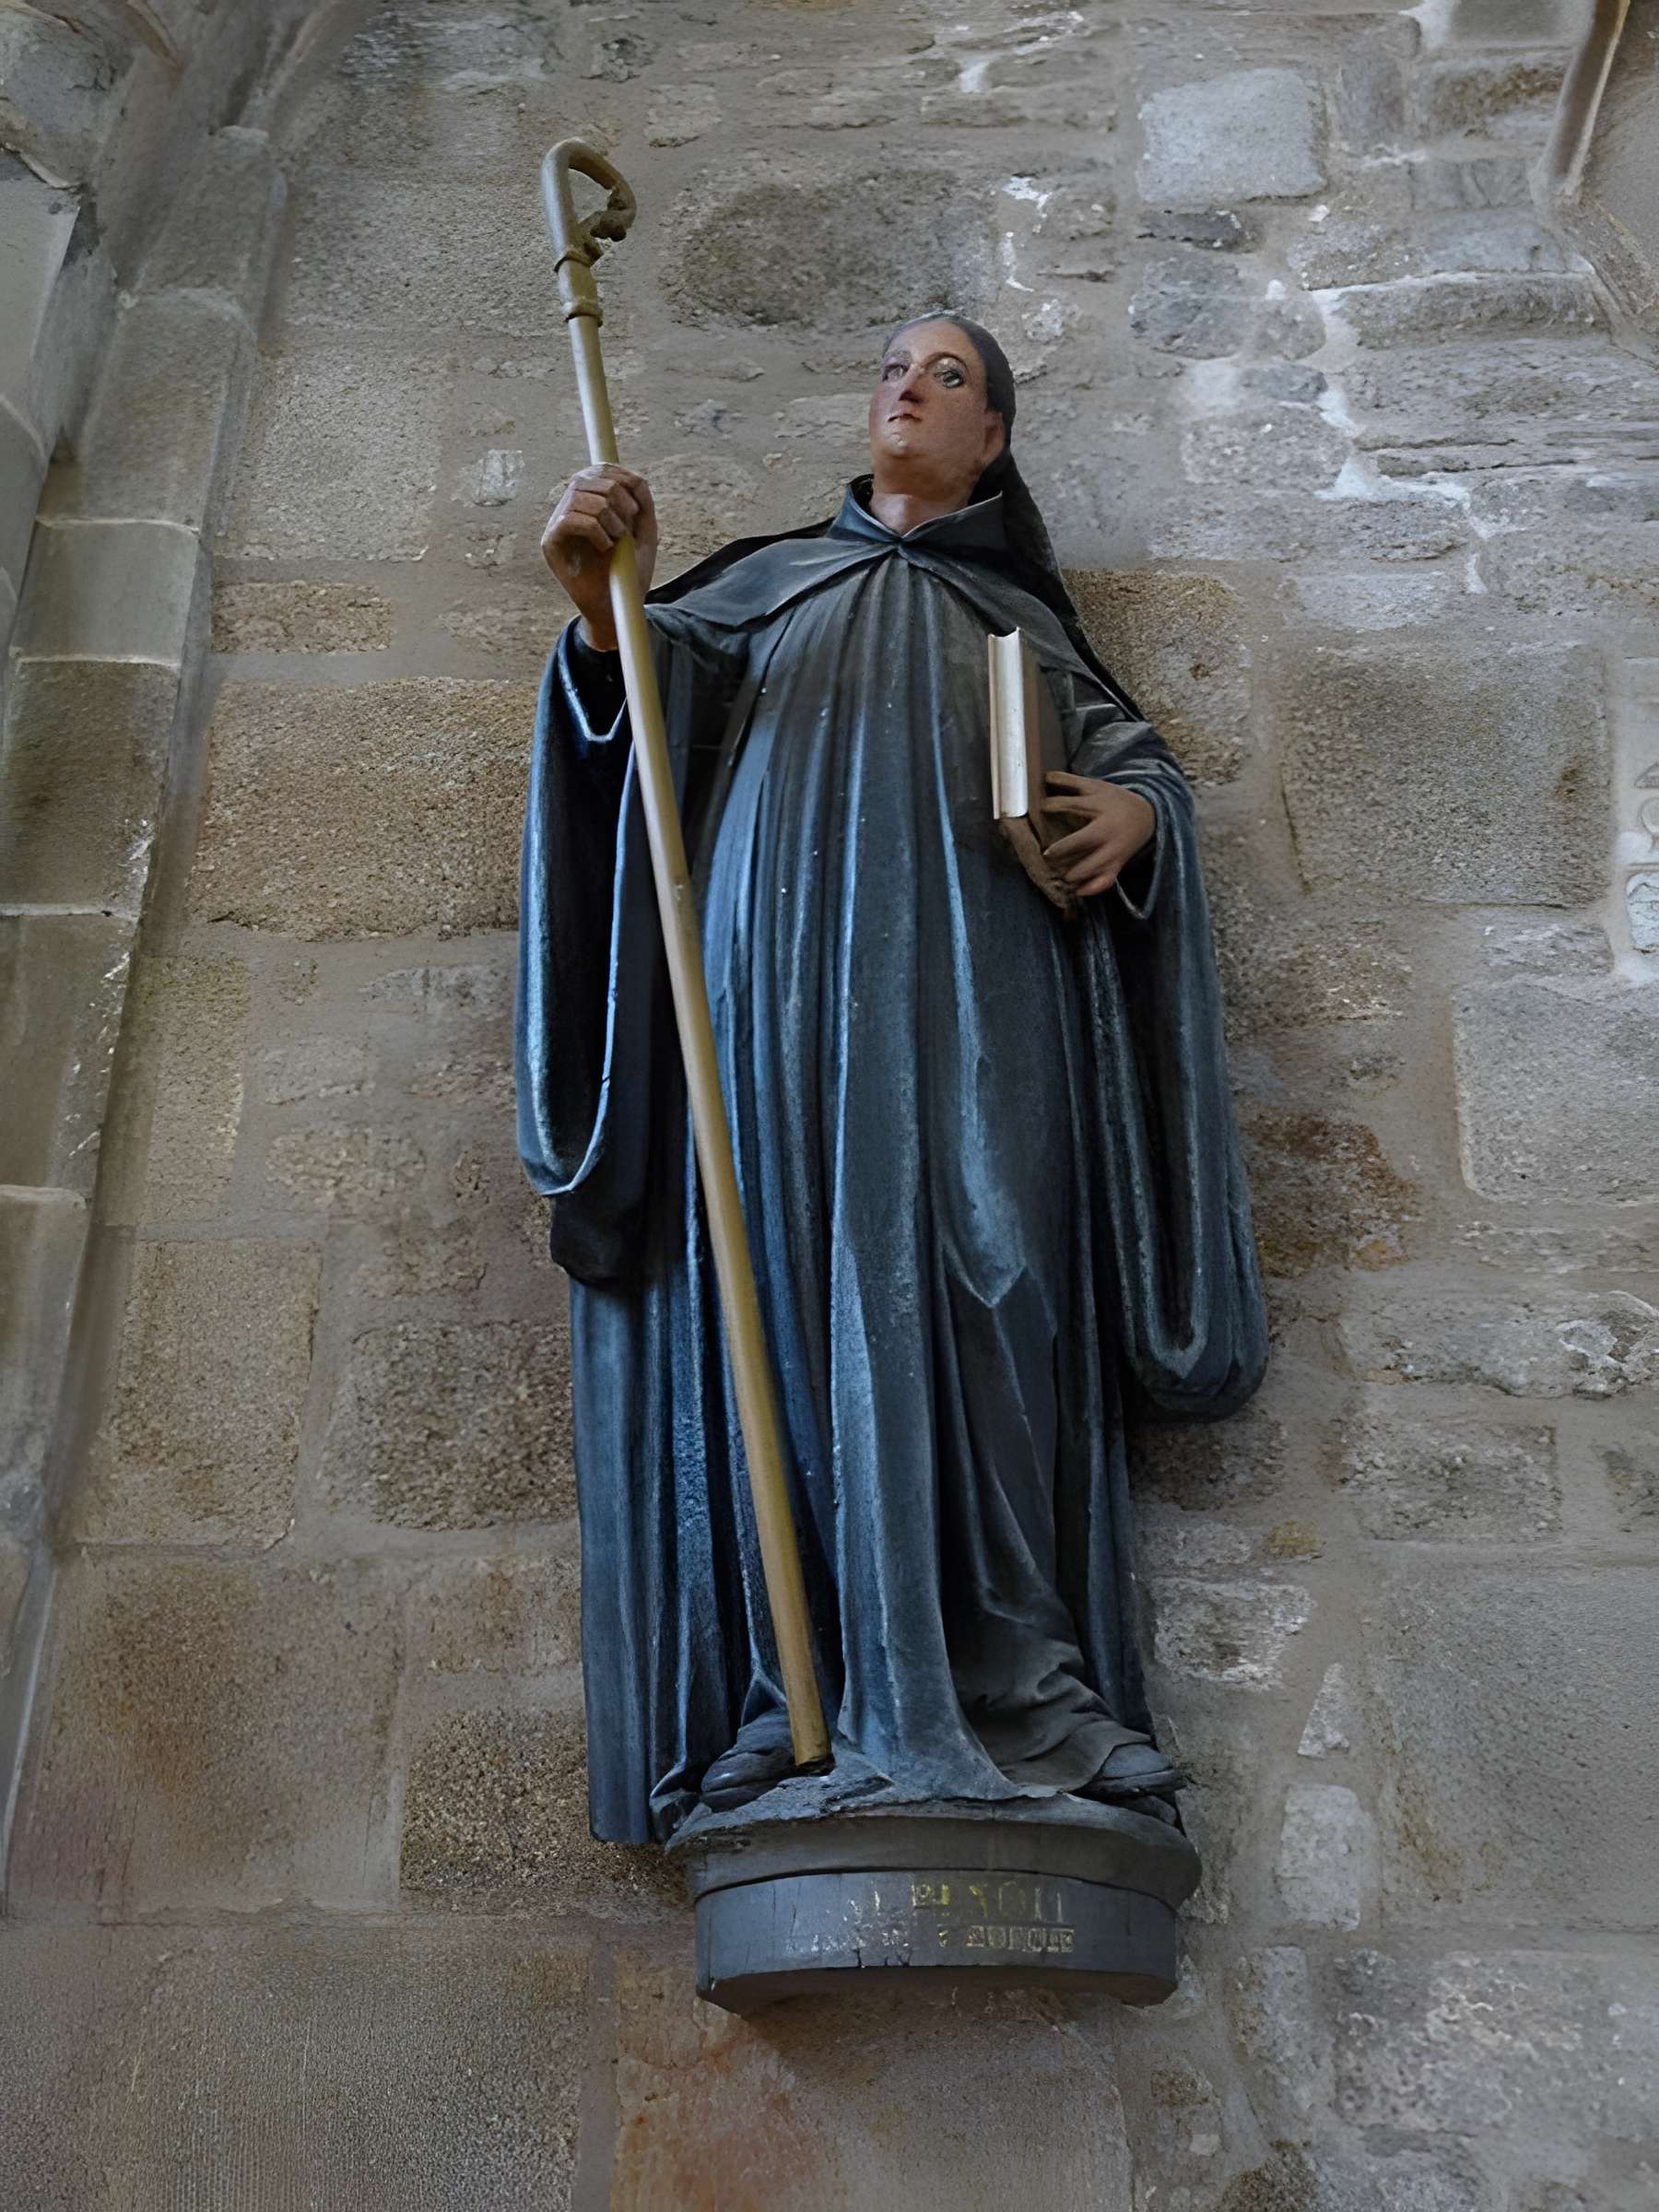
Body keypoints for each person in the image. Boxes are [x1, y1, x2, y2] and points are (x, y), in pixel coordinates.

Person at [517, 313, 1266, 1845]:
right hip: (781, 1007)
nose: (907, 391)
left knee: (999, 1300)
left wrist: (1137, 820)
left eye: (947, 377)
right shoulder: (751, 592)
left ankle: (1026, 1682)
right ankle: (794, 1698)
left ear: (992, 439)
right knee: (786, 1316)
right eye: (890, 369)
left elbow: (1138, 772)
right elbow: (632, 734)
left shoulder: (1026, 628)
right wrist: (602, 614)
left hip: (988, 1012)